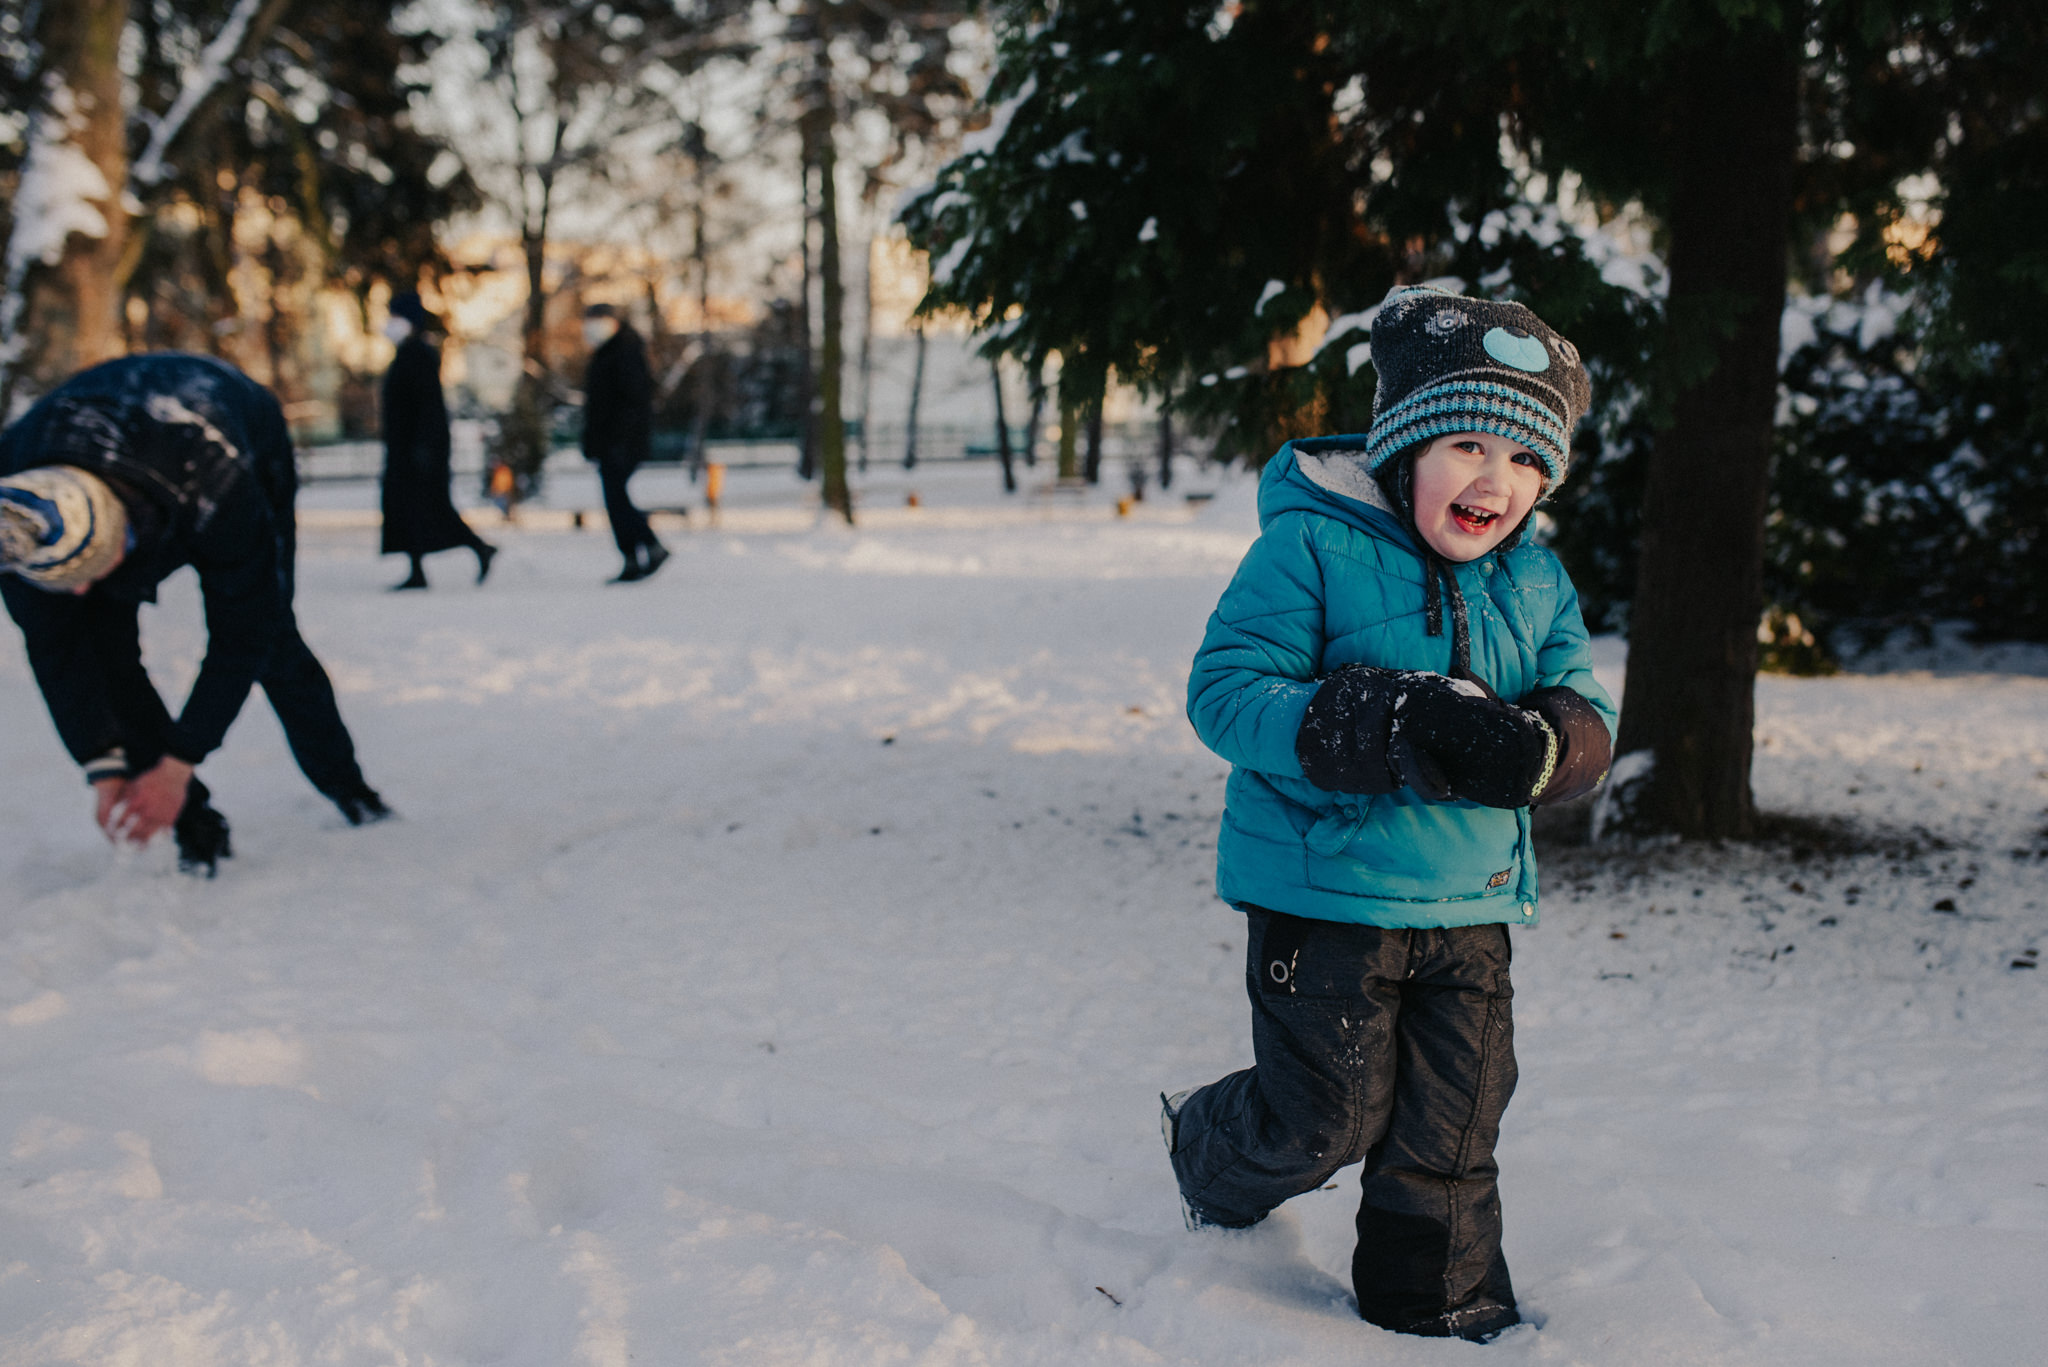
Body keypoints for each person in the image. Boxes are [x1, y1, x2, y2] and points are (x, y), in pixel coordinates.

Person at [1163, 285, 1617, 1342]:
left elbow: (1584, 704)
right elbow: (1225, 693)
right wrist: (1374, 717)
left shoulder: (1536, 580)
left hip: (1469, 900)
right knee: (1326, 1116)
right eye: (1466, 443)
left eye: (1522, 459)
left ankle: (1438, 1300)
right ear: (1402, 446)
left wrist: (1546, 743)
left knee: (1455, 1117)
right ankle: (1210, 1145)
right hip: (1322, 891)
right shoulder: (1309, 549)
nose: (1492, 479)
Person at [0, 353, 389, 876]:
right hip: (96, 441)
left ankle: (348, 787)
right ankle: (195, 825)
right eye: (67, 581)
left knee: (271, 639)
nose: (83, 591)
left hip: (229, 425)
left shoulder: (215, 480)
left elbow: (242, 633)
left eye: (92, 573)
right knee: (102, 646)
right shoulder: (16, 519)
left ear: (123, 540)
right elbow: (55, 647)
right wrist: (102, 762)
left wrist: (181, 760)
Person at [381, 291, 496, 590]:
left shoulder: (418, 354)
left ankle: (477, 547)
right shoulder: (408, 352)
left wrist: (423, 446)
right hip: (408, 447)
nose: (390, 323)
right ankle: (418, 568)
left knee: (430, 508)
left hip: (418, 448)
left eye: (395, 316)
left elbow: (427, 406)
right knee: (412, 509)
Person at [580, 303, 668, 583]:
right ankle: (636, 554)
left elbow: (634, 401)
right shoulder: (605, 353)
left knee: (617, 498)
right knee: (615, 498)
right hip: (609, 441)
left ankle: (647, 547)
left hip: (622, 442)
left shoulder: (626, 352)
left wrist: (621, 439)